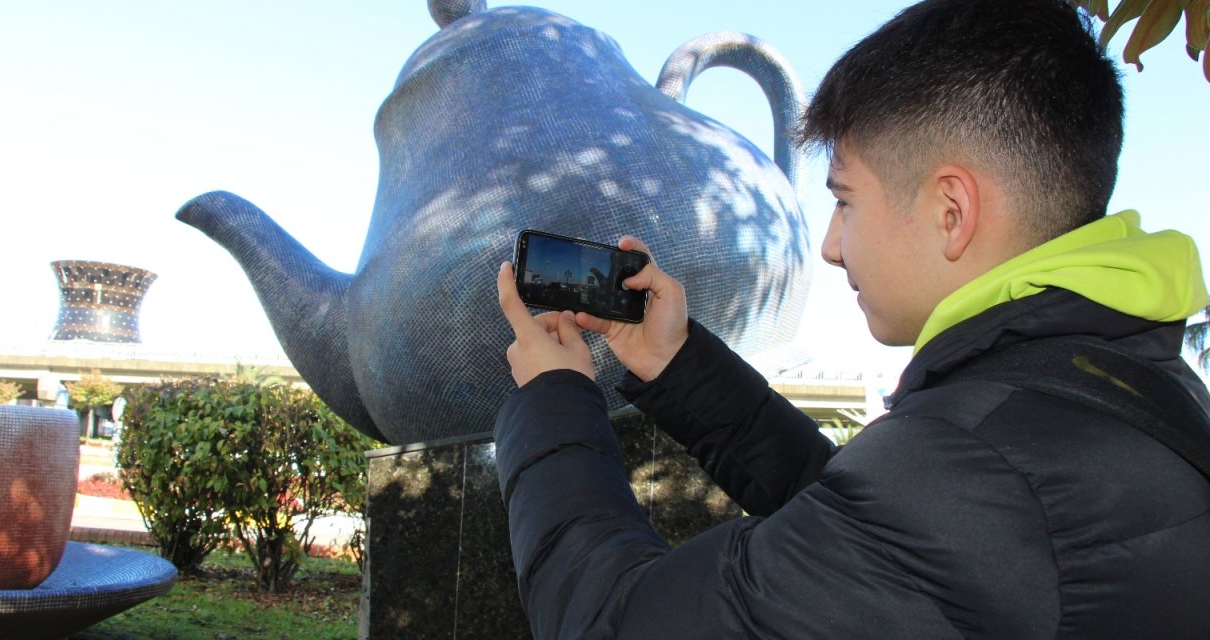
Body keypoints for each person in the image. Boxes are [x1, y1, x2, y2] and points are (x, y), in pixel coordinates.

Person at [493, 0, 1210, 637]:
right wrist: (678, 365)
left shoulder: (981, 469)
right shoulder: (1126, 382)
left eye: (844, 199)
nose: (832, 246)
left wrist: (555, 399)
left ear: (950, 212)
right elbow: (857, 523)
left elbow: (616, 622)